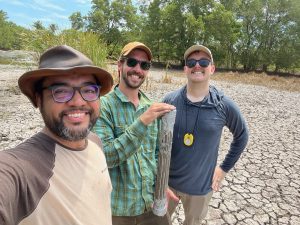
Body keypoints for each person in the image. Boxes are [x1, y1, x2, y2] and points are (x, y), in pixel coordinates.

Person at [0, 45, 114, 225]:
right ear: (38, 99)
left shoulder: (95, 142)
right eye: (61, 91)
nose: (78, 101)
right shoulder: (23, 170)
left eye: (89, 90)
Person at [163, 45, 249, 225]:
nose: (197, 66)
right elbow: (155, 141)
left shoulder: (224, 105)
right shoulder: (169, 101)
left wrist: (224, 168)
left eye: (203, 62)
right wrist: (158, 179)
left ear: (212, 68)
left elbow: (242, 135)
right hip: (167, 185)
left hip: (200, 189)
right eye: (191, 62)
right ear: (185, 68)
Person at [93, 41, 176, 225]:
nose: (137, 69)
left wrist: (162, 186)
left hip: (152, 204)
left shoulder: (151, 106)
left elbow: (156, 155)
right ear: (120, 65)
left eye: (144, 65)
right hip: (119, 211)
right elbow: (106, 157)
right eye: (132, 62)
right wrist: (142, 122)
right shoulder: (103, 107)